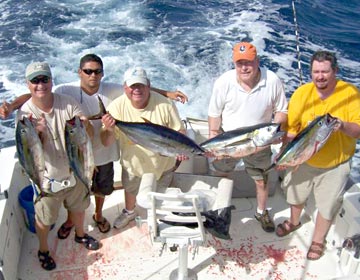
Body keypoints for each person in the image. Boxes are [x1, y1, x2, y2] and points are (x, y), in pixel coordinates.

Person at [0, 54, 188, 236]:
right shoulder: (66, 90)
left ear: (102, 73)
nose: (93, 75)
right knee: (78, 191)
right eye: (88, 71)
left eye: (97, 72)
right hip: (78, 153)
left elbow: (138, 89)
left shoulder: (112, 89)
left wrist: (167, 94)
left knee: (102, 188)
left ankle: (98, 214)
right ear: (79, 72)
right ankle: (70, 221)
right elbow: (36, 93)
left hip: (104, 151)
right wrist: (12, 106)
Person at [275, 50, 360, 260]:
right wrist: (283, 155)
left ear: (335, 71)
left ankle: (317, 241)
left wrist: (340, 125)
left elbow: (358, 130)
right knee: (295, 195)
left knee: (327, 205)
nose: (319, 76)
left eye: (325, 71)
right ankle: (293, 222)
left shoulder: (350, 94)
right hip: (303, 160)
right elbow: (293, 130)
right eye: (315, 71)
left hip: (334, 165)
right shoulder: (302, 94)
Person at [17, 62, 100, 271]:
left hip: (75, 172)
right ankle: (43, 250)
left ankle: (80, 235)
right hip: (46, 179)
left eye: (44, 79)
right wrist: (39, 133)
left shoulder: (68, 104)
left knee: (80, 209)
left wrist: (86, 125)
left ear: (51, 80)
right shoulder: (25, 115)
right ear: (28, 84)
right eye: (35, 80)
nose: (40, 84)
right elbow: (30, 151)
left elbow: (87, 136)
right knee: (44, 220)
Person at [207, 42, 288, 232]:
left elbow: (282, 110)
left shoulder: (272, 80)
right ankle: (219, 210)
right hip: (229, 141)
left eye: (249, 63)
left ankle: (261, 211)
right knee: (222, 176)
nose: (244, 67)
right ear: (234, 64)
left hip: (260, 143)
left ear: (257, 61)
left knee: (261, 180)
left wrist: (275, 129)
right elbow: (214, 113)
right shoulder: (224, 82)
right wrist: (214, 140)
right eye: (239, 63)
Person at [100, 66, 187, 229]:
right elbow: (106, 142)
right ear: (125, 88)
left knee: (160, 193)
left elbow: (180, 130)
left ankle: (159, 214)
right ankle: (129, 211)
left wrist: (180, 149)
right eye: (132, 86)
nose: (136, 90)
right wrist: (110, 128)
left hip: (163, 164)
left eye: (141, 85)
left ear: (148, 85)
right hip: (133, 165)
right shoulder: (117, 107)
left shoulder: (165, 104)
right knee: (131, 189)